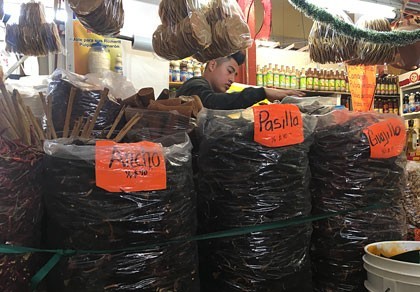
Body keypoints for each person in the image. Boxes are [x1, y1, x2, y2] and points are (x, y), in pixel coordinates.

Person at [176, 51, 305, 110]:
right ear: (212, 65)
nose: (232, 79)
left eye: (235, 74)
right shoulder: (195, 85)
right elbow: (212, 102)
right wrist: (262, 92)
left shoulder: (208, 89)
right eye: (229, 71)